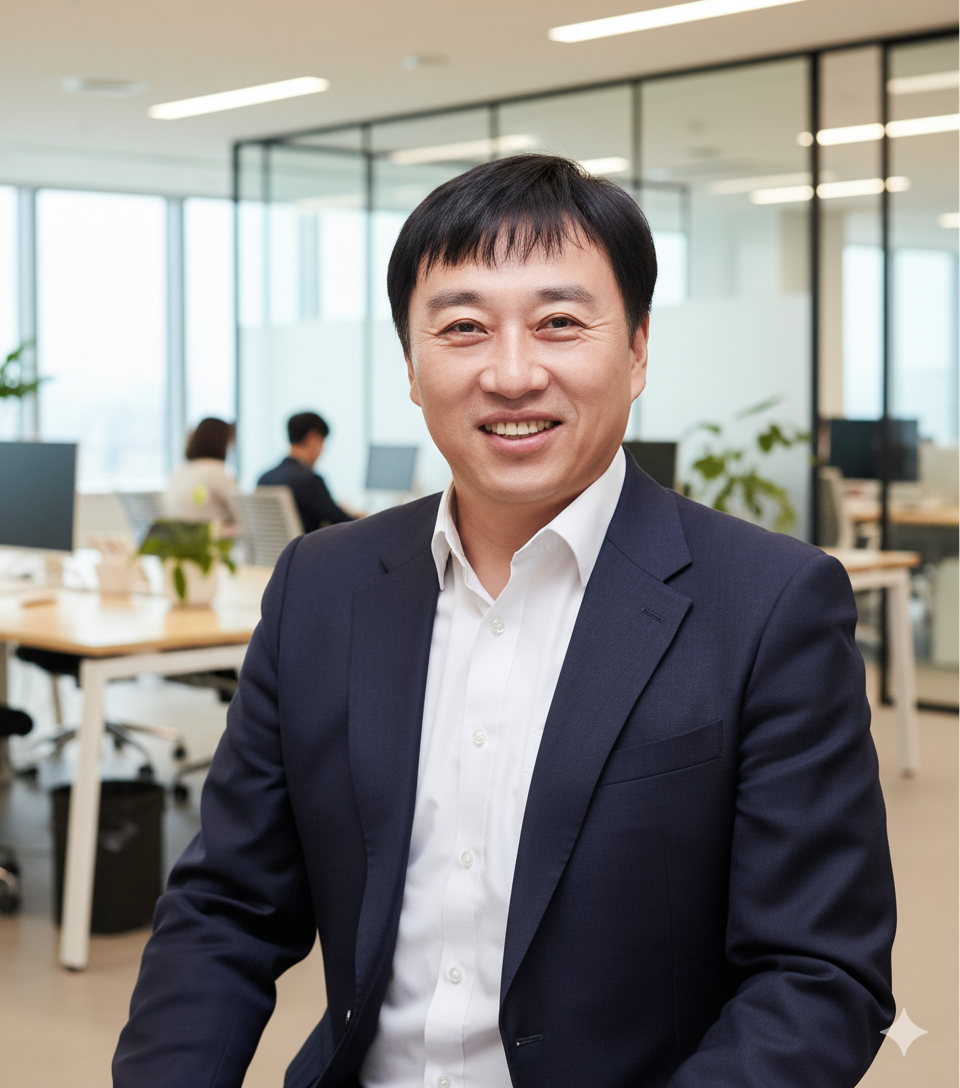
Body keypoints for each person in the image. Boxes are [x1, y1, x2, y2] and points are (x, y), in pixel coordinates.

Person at [114, 155, 895, 1088]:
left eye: (561, 322)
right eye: (464, 328)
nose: (513, 373)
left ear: (639, 349)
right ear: (410, 364)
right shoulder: (321, 586)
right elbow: (226, 909)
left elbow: (817, 977)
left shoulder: (770, 603)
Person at [257, 411, 355, 532]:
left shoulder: (264, 478)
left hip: (276, 550)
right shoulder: (310, 480)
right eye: (323, 442)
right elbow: (344, 522)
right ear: (313, 438)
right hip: (306, 550)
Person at [161, 417, 238, 529]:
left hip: (179, 540)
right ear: (222, 441)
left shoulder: (179, 471)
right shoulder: (218, 472)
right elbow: (241, 514)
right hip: (208, 541)